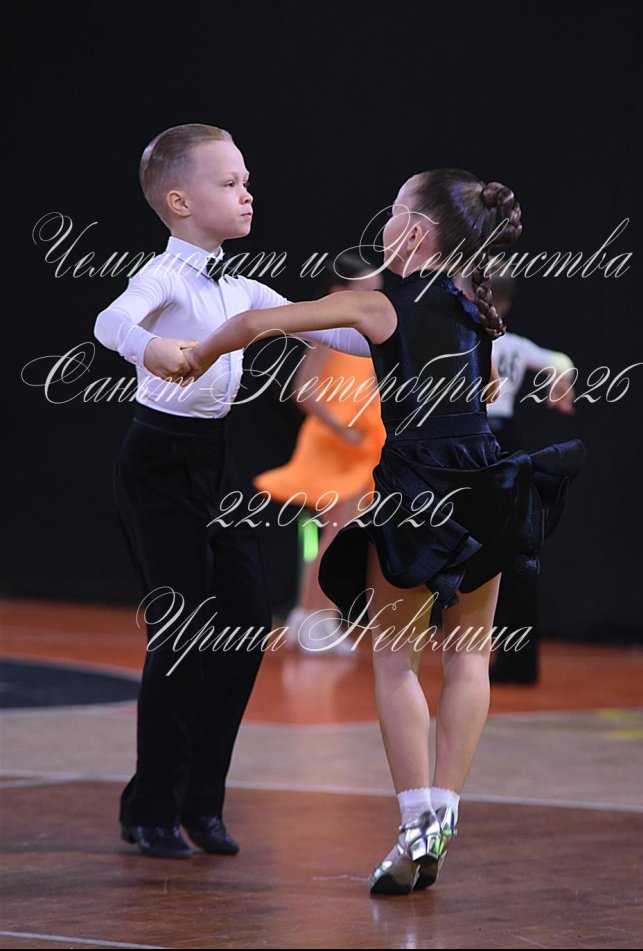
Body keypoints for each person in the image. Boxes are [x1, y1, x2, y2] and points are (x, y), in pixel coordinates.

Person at [171, 168, 586, 894]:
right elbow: (482, 388)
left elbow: (257, 325)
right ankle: (443, 814)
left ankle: (415, 823)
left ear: (416, 232)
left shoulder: (380, 303)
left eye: (393, 211)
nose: (384, 223)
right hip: (491, 484)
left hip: (420, 488)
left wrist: (194, 357)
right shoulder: (473, 304)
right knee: (469, 660)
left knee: (396, 661)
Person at [92, 123, 373, 859]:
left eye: (246, 181)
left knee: (245, 625)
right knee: (181, 634)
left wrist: (398, 321)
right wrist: (151, 345)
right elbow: (110, 320)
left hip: (214, 462)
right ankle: (151, 806)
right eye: (230, 182)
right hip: (157, 465)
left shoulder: (246, 289)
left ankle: (200, 802)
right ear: (180, 201)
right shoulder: (163, 277)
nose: (248, 194)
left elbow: (340, 336)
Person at [253, 254, 385, 655]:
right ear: (338, 292)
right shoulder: (331, 329)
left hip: (362, 444)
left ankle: (315, 618)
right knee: (333, 535)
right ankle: (312, 619)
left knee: (340, 535)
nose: (375, 296)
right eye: (366, 290)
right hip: (334, 443)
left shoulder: (371, 331)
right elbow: (304, 389)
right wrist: (341, 428)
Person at [452, 269, 578, 683]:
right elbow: (561, 360)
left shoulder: (464, 334)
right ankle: (513, 659)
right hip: (506, 444)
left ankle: (468, 645)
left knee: (473, 544)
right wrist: (560, 384)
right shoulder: (516, 344)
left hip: (474, 440)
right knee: (512, 546)